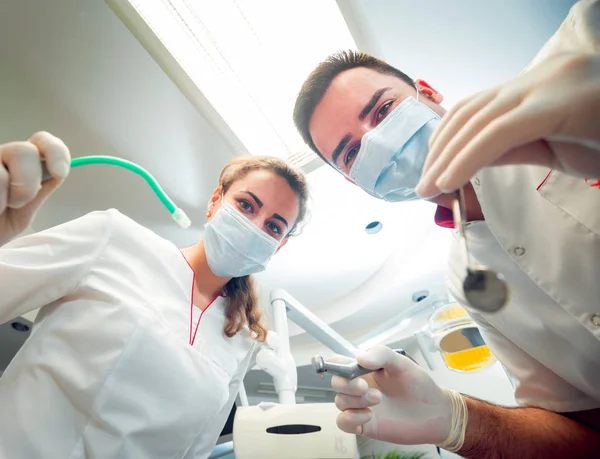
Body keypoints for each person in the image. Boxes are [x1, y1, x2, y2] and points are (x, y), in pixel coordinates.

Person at [292, 1, 600, 457]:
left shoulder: (562, 113)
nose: (376, 141)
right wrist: (456, 421)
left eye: (382, 110)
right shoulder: (462, 276)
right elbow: (581, 432)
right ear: (351, 181)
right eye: (351, 153)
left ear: (429, 93)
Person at [0, 131, 309, 459]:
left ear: (280, 246)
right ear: (215, 201)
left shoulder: (241, 341)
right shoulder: (114, 238)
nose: (255, 227)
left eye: (274, 227)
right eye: (246, 205)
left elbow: (194, 452)